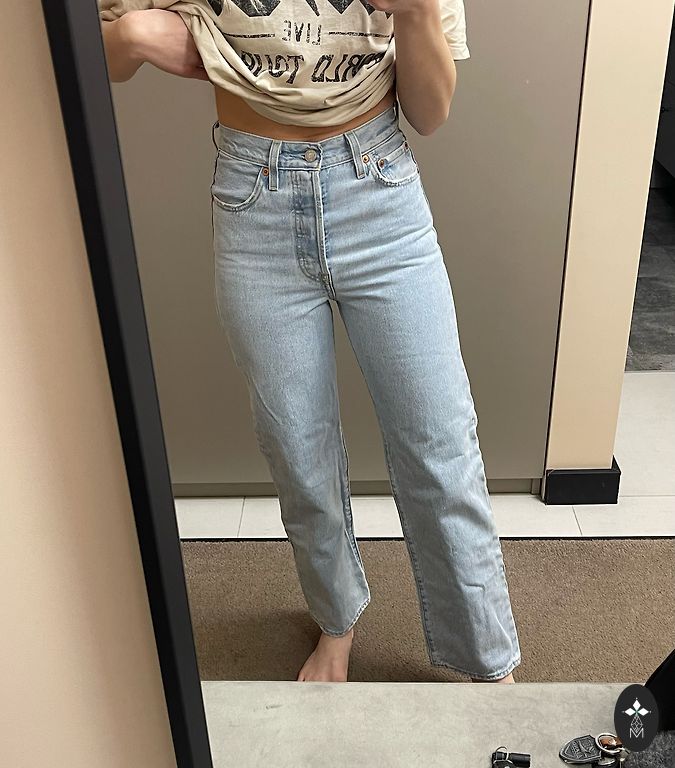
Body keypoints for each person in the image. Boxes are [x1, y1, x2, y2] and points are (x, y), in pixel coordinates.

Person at [99, 0, 522, 684]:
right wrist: (131, 33)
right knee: (297, 448)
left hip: (379, 192)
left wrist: (416, 11)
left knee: (439, 444)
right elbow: (102, 58)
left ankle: (487, 657)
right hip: (252, 197)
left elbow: (431, 112)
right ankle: (336, 620)